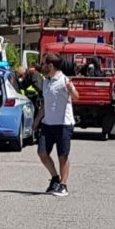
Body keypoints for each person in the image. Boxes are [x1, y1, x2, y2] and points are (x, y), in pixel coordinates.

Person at [34, 52, 79, 196]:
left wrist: (71, 89)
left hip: (63, 124)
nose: (42, 66)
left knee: (62, 156)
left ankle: (64, 186)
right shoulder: (46, 81)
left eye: (43, 64)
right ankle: (55, 178)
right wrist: (36, 123)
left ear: (51, 65)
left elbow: (76, 97)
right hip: (48, 124)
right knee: (42, 153)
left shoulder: (64, 80)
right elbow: (44, 105)